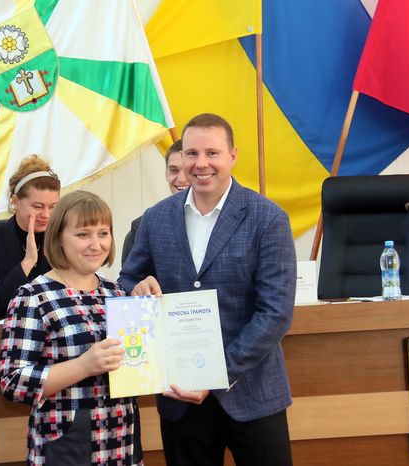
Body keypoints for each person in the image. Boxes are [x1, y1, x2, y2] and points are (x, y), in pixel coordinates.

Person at [119, 113, 297, 466]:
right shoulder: (155, 218)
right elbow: (125, 282)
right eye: (192, 153)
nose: (201, 164)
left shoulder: (268, 218)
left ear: (232, 156)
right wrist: (137, 288)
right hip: (180, 400)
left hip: (252, 393)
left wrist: (217, 373)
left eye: (212, 153)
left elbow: (276, 313)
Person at [0, 191, 142, 465]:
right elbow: (13, 382)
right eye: (83, 234)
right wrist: (84, 366)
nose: (96, 244)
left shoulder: (117, 293)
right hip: (66, 448)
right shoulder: (33, 297)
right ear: (58, 238)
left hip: (123, 444)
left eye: (103, 233)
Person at [0, 155, 60, 319]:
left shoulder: (61, 239)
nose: (46, 215)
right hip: (5, 329)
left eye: (52, 207)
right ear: (15, 201)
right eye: (37, 206)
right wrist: (27, 262)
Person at [121, 140, 188, 263]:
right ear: (166, 174)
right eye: (174, 170)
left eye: (188, 170)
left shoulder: (219, 219)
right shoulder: (143, 226)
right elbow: (131, 275)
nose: (182, 179)